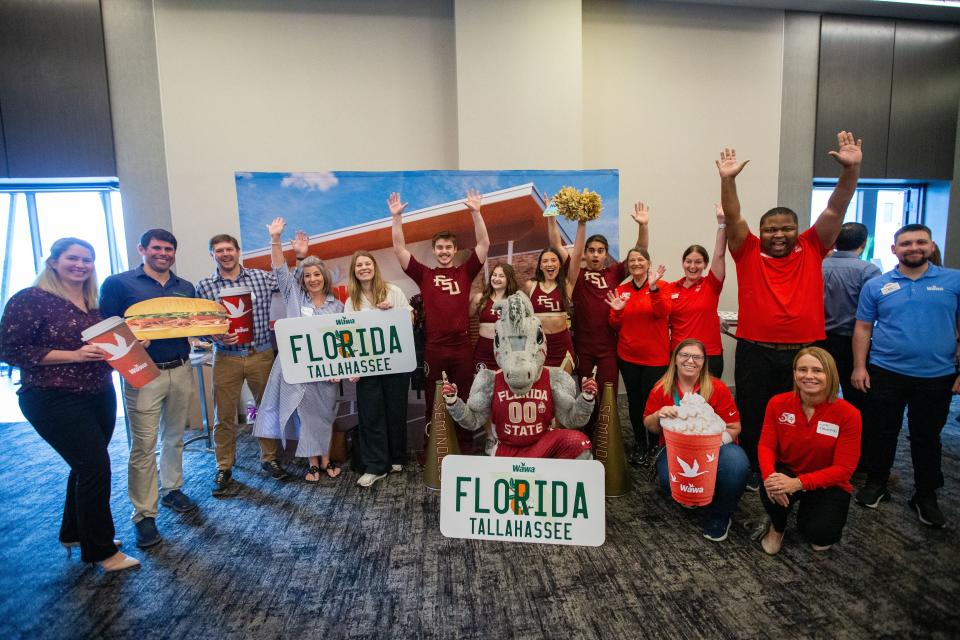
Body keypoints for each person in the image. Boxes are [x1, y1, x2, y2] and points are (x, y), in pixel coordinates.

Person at [717, 131, 862, 491]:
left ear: (798, 230)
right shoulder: (746, 249)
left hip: (807, 351)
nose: (778, 234)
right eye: (771, 229)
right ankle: (754, 466)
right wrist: (728, 181)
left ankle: (795, 468)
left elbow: (836, 209)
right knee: (753, 410)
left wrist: (851, 171)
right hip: (756, 349)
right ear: (761, 232)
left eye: (786, 228)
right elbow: (733, 216)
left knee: (805, 414)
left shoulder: (814, 246)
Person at [0, 238, 140, 571]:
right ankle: (102, 551)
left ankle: (75, 533)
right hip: (52, 396)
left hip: (99, 393)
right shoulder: (30, 300)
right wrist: (73, 355)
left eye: (87, 260)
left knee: (83, 466)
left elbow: (110, 345)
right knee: (95, 468)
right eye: (73, 258)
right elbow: (9, 350)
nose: (80, 265)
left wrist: (133, 344)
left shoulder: (94, 303)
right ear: (53, 262)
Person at [851, 224, 960, 527]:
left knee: (927, 436)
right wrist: (860, 366)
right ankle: (877, 483)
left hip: (937, 374)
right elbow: (863, 328)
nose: (913, 248)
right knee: (882, 431)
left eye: (920, 242)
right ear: (894, 249)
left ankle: (925, 494)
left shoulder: (953, 280)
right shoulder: (877, 285)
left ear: (931, 245)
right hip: (886, 371)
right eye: (906, 243)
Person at [99, 228, 199, 549]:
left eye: (169, 248)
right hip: (143, 373)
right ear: (142, 249)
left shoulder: (185, 287)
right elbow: (107, 330)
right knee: (143, 445)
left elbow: (193, 327)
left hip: (181, 367)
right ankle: (144, 514)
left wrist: (215, 332)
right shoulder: (118, 284)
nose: (163, 253)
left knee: (174, 437)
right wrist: (130, 343)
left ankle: (172, 489)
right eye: (157, 248)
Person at [196, 233, 309, 496]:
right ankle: (224, 466)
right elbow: (200, 327)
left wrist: (300, 256)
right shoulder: (204, 286)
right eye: (219, 250)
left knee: (267, 409)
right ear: (212, 255)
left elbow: (290, 283)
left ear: (238, 251)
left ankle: (269, 459)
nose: (225, 254)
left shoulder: (259, 277)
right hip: (226, 357)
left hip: (261, 354)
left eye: (229, 249)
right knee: (223, 415)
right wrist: (213, 336)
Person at [390, 189, 489, 453]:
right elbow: (399, 249)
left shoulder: (465, 272)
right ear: (434, 251)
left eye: (448, 247)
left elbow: (483, 246)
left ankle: (465, 449)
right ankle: (433, 450)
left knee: (464, 399)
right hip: (434, 349)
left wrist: (476, 213)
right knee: (435, 403)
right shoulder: (424, 274)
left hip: (462, 348)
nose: (444, 251)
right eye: (440, 247)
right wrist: (397, 219)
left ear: (455, 250)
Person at [254, 218, 343, 481]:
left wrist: (339, 369)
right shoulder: (295, 297)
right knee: (305, 416)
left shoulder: (336, 306)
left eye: (317, 274)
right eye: (308, 275)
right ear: (302, 280)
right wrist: (276, 239)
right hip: (299, 370)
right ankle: (313, 464)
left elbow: (342, 342)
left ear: (324, 277)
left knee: (325, 415)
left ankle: (326, 460)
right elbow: (280, 269)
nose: (313, 279)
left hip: (326, 373)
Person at [556, 201, 649, 436]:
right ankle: (588, 440)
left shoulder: (615, 272)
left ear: (606, 254)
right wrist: (581, 223)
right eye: (592, 250)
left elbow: (640, 255)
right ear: (586, 253)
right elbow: (562, 247)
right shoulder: (577, 274)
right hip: (584, 349)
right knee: (588, 396)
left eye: (600, 251)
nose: (596, 255)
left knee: (608, 397)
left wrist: (643, 226)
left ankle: (609, 443)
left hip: (609, 349)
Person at [758, 347, 861, 554]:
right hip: (788, 471)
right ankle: (777, 527)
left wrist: (799, 484)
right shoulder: (777, 403)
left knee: (820, 540)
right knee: (772, 484)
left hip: (828, 482)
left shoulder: (849, 414)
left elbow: (844, 469)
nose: (808, 376)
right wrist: (769, 476)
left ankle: (807, 510)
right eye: (802, 369)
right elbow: (766, 445)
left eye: (817, 370)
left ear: (830, 374)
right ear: (794, 373)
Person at [643, 339, 749, 542]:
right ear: (675, 359)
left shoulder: (717, 388)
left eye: (697, 357)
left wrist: (706, 447)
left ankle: (721, 514)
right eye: (684, 355)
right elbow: (650, 426)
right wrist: (658, 414)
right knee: (668, 478)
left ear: (704, 362)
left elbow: (735, 427)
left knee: (736, 466)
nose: (690, 361)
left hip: (718, 448)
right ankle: (693, 497)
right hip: (675, 450)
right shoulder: (661, 388)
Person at [343, 250, 413, 488]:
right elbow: (347, 337)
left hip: (395, 365)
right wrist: (353, 367)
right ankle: (375, 465)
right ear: (354, 271)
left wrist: (392, 312)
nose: (363, 267)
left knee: (395, 411)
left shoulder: (393, 291)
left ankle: (396, 457)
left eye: (367, 263)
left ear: (374, 267)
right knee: (371, 415)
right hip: (367, 368)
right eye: (359, 265)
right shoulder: (351, 301)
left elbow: (410, 321)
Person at [606, 248, 671, 465]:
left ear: (649, 263)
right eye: (632, 260)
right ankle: (640, 444)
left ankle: (654, 444)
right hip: (628, 357)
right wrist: (616, 311)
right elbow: (615, 324)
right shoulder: (621, 289)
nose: (635, 263)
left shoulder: (662, 286)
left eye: (640, 259)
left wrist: (653, 289)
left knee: (652, 404)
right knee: (634, 402)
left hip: (656, 358)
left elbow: (662, 313)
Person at [817, 222, 881, 415]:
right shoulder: (868, 271)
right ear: (863, 243)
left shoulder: (817, 265)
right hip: (853, 341)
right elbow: (875, 309)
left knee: (819, 392)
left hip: (817, 340)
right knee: (858, 396)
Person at [668, 204, 728, 378]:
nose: (692, 266)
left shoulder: (711, 284)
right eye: (688, 261)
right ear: (683, 262)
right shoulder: (671, 288)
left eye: (698, 262)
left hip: (709, 354)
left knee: (708, 402)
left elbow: (719, 254)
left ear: (705, 265)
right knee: (680, 401)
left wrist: (722, 225)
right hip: (680, 355)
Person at [525, 219, 575, 369]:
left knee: (563, 391)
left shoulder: (567, 284)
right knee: (541, 391)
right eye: (545, 261)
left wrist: (552, 217)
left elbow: (557, 245)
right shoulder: (530, 286)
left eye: (554, 260)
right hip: (538, 346)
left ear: (559, 264)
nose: (549, 264)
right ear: (540, 266)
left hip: (562, 347)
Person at [470, 263, 518, 372]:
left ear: (509, 279)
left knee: (504, 387)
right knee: (482, 386)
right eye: (494, 275)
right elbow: (465, 317)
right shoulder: (480, 299)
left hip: (507, 352)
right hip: (484, 352)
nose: (496, 279)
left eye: (501, 276)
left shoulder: (515, 301)